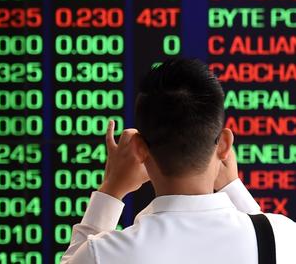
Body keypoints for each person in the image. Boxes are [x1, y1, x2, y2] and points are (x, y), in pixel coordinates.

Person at [61, 58, 296, 264]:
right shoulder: (284, 237)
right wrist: (233, 187)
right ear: (224, 144)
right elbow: (265, 239)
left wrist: (110, 191)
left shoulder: (102, 254)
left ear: (139, 149)